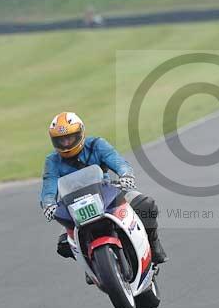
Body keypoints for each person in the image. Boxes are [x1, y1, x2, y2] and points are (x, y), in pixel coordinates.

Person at [40, 112, 168, 264]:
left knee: (146, 205)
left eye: (70, 137)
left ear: (81, 133)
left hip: (106, 194)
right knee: (64, 245)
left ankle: (153, 247)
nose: (66, 143)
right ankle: (91, 265)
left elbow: (118, 161)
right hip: (74, 206)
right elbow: (49, 186)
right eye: (61, 140)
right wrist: (48, 204)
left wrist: (125, 175)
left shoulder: (96, 145)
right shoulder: (52, 161)